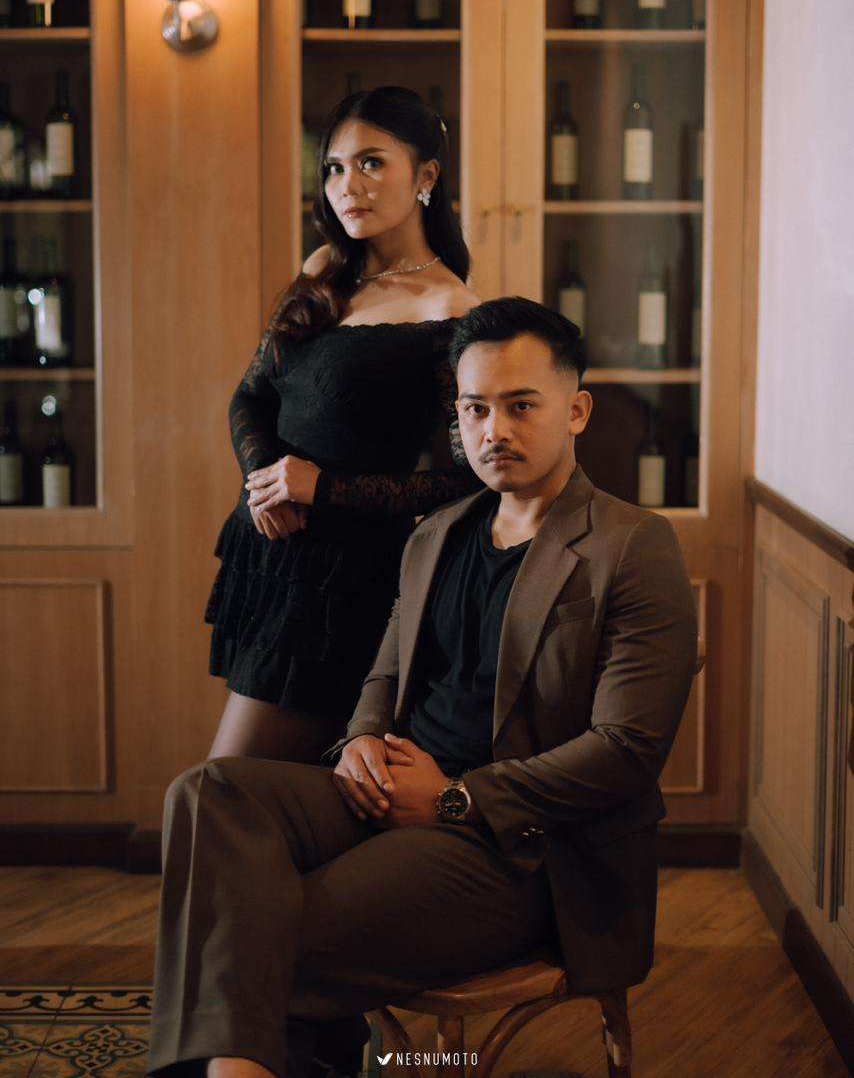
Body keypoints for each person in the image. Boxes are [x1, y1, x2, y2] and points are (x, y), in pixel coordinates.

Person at [147, 297, 698, 1078]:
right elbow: (386, 670)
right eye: (475, 409)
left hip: (520, 847)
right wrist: (362, 740)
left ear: (576, 411)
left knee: (255, 928)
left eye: (520, 406)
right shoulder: (438, 532)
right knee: (208, 793)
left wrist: (454, 799)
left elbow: (626, 751)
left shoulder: (632, 545)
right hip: (393, 791)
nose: (493, 431)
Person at [205, 85, 480, 764]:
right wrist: (266, 481)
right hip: (267, 555)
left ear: (426, 175)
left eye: (371, 163)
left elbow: (467, 477)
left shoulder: (451, 312)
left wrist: (321, 488)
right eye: (333, 167)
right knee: (269, 797)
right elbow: (250, 397)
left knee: (228, 786)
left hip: (343, 585)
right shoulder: (326, 269)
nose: (346, 186)